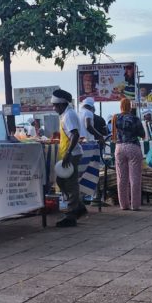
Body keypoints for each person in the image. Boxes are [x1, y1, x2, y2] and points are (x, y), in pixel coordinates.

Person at [52, 89, 86, 227]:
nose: (54, 108)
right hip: (69, 153)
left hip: (71, 154)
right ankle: (78, 207)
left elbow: (75, 135)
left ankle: (71, 215)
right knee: (62, 181)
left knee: (70, 184)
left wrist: (68, 153)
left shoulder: (69, 115)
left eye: (55, 106)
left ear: (61, 104)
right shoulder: (66, 114)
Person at [113, 97, 146, 210]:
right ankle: (135, 205)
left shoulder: (115, 117)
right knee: (135, 178)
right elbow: (142, 134)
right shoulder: (135, 118)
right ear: (130, 106)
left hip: (119, 148)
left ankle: (124, 205)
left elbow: (113, 134)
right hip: (133, 147)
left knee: (121, 178)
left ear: (120, 106)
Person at [78, 97, 106, 206]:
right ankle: (94, 197)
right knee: (93, 171)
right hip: (89, 145)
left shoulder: (78, 112)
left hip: (80, 145)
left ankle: (82, 197)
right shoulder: (88, 113)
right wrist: (100, 136)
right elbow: (88, 126)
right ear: (91, 106)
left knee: (81, 172)